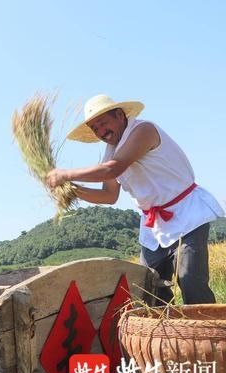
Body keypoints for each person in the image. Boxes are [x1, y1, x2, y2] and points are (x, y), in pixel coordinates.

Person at [46, 94, 223, 305]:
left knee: (191, 284)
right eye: (95, 129)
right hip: (153, 227)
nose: (101, 132)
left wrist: (66, 175)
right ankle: (161, 337)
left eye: (103, 123)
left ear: (120, 115)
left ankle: (208, 335)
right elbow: (109, 196)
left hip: (186, 216)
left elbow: (114, 169)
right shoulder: (111, 150)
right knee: (146, 289)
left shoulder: (144, 131)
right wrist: (71, 190)